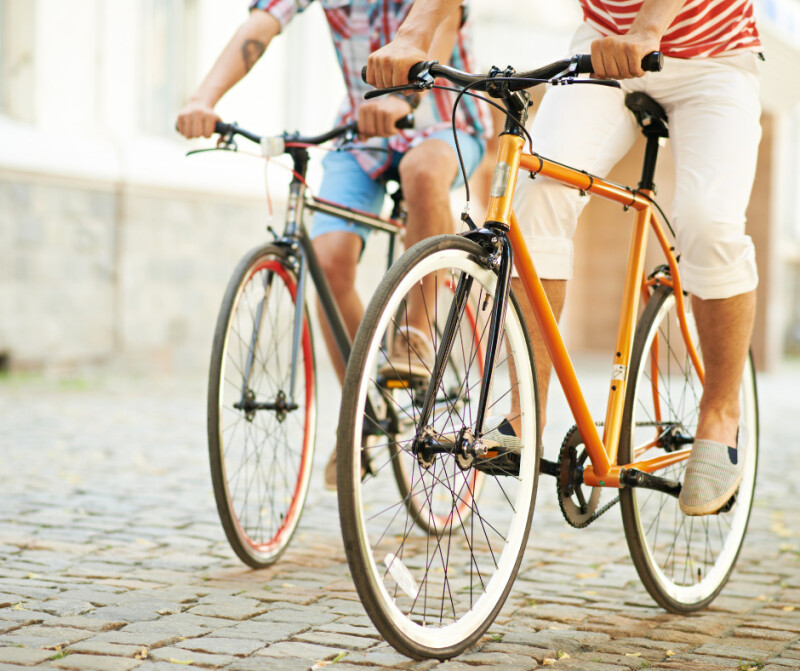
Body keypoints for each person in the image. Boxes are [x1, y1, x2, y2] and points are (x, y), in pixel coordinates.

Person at [366, 0, 762, 516]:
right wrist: (412, 35)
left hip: (716, 55)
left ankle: (721, 411)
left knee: (709, 221)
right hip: (604, 47)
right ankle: (525, 411)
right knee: (538, 187)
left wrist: (647, 29)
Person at [176, 1, 486, 489]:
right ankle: (360, 410)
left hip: (444, 120)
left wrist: (403, 100)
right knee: (326, 261)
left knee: (422, 173)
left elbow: (443, 20)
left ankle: (415, 335)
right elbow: (261, 25)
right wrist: (203, 99)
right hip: (360, 128)